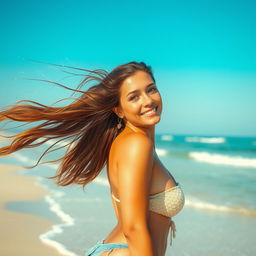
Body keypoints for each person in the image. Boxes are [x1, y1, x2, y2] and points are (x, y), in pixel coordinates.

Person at [0, 61, 185, 256]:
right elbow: (133, 228)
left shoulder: (131, 141)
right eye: (134, 97)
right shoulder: (136, 144)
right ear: (119, 110)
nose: (147, 101)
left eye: (151, 89)